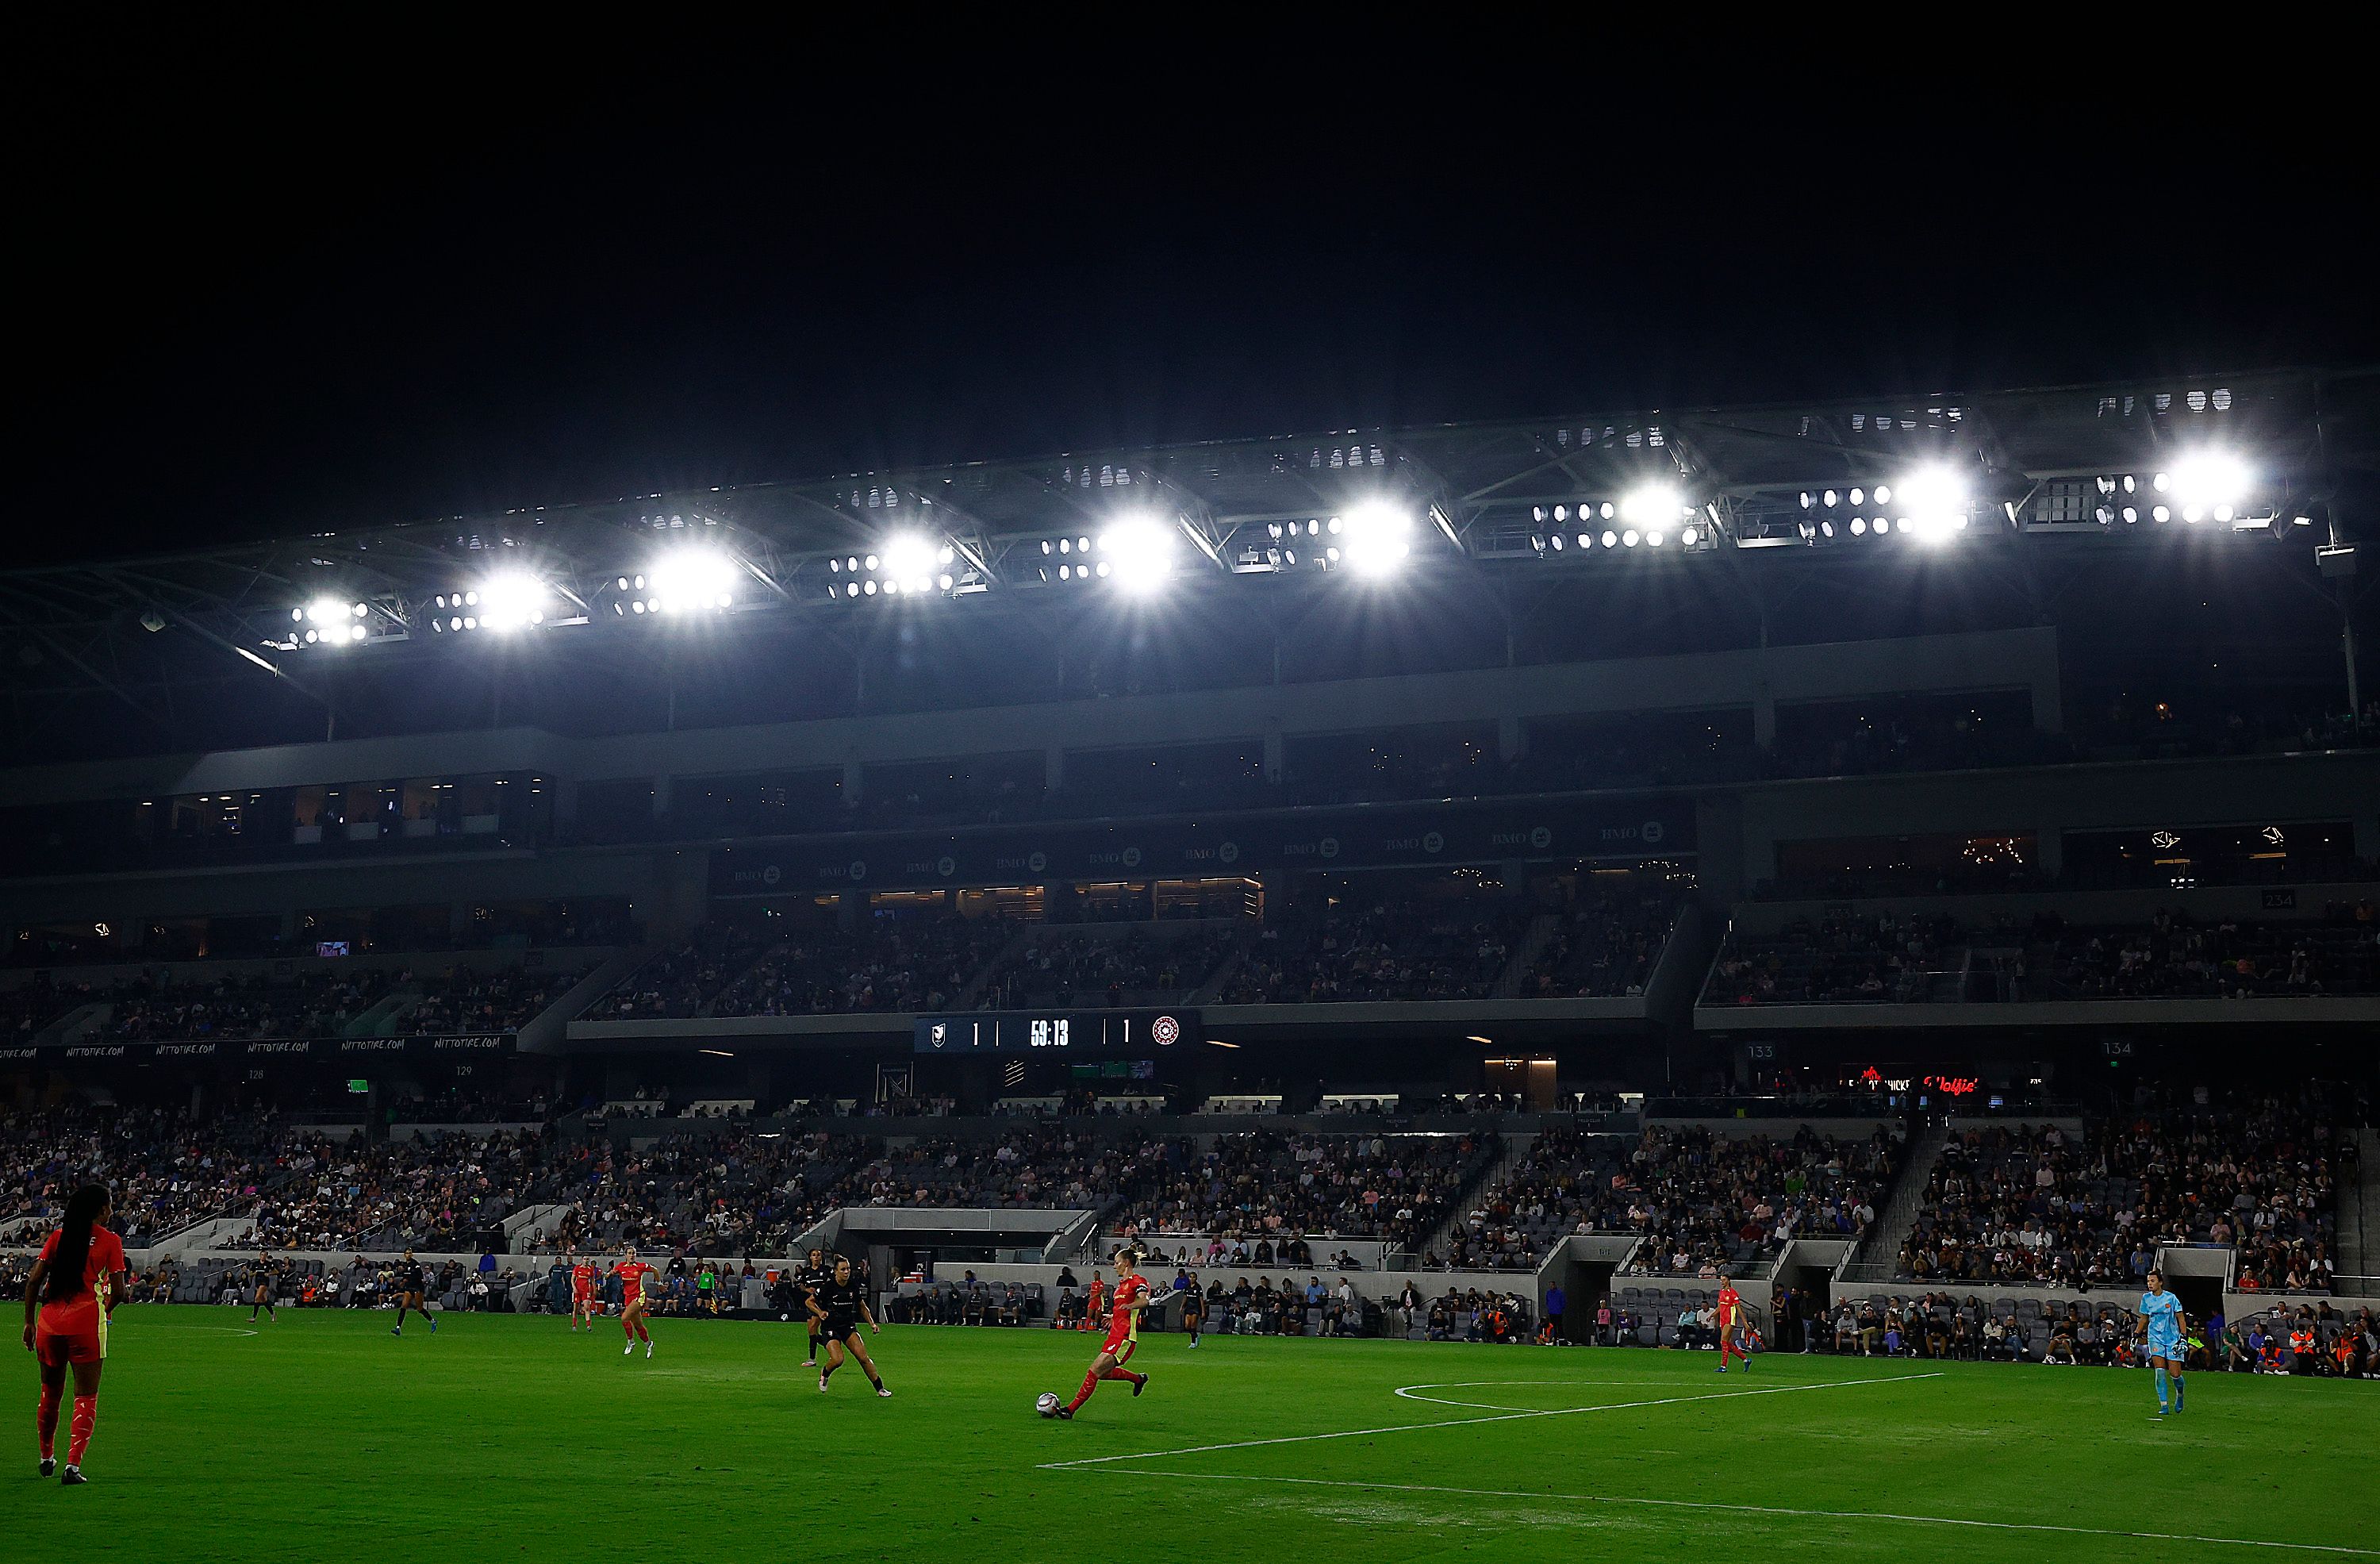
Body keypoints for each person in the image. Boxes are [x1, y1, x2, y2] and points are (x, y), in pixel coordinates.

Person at [22, 1184, 128, 1485]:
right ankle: (72, 1466)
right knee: (86, 1395)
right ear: (100, 1211)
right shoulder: (110, 1241)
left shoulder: (58, 1237)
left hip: (50, 1324)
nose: (111, 1211)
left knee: (50, 1392)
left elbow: (33, 1281)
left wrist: (30, 1322)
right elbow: (119, 1291)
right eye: (108, 1207)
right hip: (86, 1325)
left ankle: (45, 1457)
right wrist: (105, 1311)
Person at [1055, 1246, 1150, 1419]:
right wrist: (1114, 1317)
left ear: (1126, 1263)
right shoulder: (1121, 1287)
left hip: (1125, 1337)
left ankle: (1070, 1410)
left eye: (1117, 1262)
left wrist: (1130, 1306)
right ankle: (1138, 1379)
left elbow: (1144, 1301)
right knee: (1102, 1373)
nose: (1114, 1266)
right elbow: (1123, 1311)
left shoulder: (1138, 1281)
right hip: (1114, 1334)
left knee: (1094, 1371)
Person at [809, 1255, 889, 1397]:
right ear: (835, 1271)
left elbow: (862, 1307)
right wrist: (820, 1312)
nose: (846, 1272)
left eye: (848, 1269)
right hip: (830, 1327)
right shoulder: (828, 1287)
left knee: (863, 1357)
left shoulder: (852, 1286)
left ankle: (880, 1389)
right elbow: (809, 1302)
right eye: (843, 1269)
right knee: (838, 1360)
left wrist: (872, 1324)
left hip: (847, 1326)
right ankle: (825, 1373)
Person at [2137, 1270, 2186, 1416]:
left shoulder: (2171, 1298)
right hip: (2155, 1337)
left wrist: (2183, 1336)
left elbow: (2181, 1317)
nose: (2150, 1284)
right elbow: (2144, 1318)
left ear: (2160, 1282)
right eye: (2148, 1281)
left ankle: (2180, 1394)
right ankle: (2164, 1405)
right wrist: (2136, 1333)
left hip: (2172, 1338)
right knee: (2159, 1370)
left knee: (2175, 1374)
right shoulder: (2146, 1299)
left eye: (2152, 1281)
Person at [616, 1247, 657, 1358]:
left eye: (633, 1253)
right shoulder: (621, 1267)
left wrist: (659, 1284)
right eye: (629, 1253)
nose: (632, 1255)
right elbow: (613, 1272)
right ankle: (648, 1343)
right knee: (638, 1325)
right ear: (625, 1255)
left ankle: (631, 1342)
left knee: (624, 1318)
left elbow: (655, 1270)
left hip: (639, 1296)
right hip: (628, 1298)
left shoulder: (640, 1266)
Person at [391, 1248, 436, 1336]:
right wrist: (404, 1280)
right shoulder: (404, 1265)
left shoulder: (415, 1264)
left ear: (412, 1255)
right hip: (410, 1287)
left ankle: (433, 1321)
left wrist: (410, 1278)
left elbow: (419, 1276)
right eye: (407, 1253)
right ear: (404, 1255)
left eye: (410, 1253)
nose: (408, 1255)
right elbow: (406, 1276)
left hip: (417, 1287)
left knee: (419, 1309)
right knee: (403, 1307)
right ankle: (398, 1328)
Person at [800, 1247, 830, 1367]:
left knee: (813, 1328)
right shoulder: (806, 1271)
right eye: (814, 1255)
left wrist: (819, 1291)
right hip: (810, 1302)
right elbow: (801, 1286)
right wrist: (807, 1289)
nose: (816, 1257)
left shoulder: (826, 1270)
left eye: (818, 1255)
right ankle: (831, 1346)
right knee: (812, 1333)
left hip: (821, 1302)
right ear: (810, 1258)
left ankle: (812, 1359)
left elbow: (829, 1284)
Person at [1714, 1281, 1749, 1374]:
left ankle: (1723, 1366)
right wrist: (1712, 1315)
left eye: (1724, 1280)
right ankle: (1746, 1360)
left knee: (1723, 1342)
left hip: (1730, 1320)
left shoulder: (1733, 1293)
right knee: (1728, 1344)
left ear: (1728, 1281)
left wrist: (1745, 1322)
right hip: (1723, 1320)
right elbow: (1720, 1307)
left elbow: (1739, 1309)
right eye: (1721, 1280)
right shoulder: (1721, 1292)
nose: (1722, 1282)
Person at [570, 1252, 601, 1333]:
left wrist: (594, 1290)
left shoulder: (590, 1269)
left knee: (587, 1307)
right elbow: (572, 1280)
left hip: (586, 1290)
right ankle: (574, 1325)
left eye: (587, 1259)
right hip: (577, 1290)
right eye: (585, 1259)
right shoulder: (577, 1268)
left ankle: (588, 1326)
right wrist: (574, 1288)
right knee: (576, 1309)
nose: (586, 1261)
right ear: (582, 1260)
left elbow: (593, 1280)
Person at [248, 1251, 277, 1324]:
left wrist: (269, 1274)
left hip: (265, 1283)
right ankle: (273, 1313)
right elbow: (250, 1274)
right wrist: (254, 1273)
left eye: (264, 1255)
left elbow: (276, 1272)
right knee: (263, 1300)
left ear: (266, 1256)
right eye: (261, 1255)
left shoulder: (269, 1264)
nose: (263, 1256)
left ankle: (254, 1317)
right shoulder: (255, 1264)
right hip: (257, 1282)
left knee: (257, 1298)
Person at [1180, 1274, 1204, 1349]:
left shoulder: (1198, 1287)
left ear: (1196, 1278)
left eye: (1193, 1277)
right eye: (1190, 1277)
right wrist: (1182, 1306)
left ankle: (1193, 1342)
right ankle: (1196, 1336)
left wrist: (1203, 1311)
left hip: (1196, 1308)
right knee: (1187, 1326)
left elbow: (1201, 1300)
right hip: (1189, 1307)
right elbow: (1185, 1297)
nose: (1192, 1279)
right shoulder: (1187, 1287)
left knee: (1193, 1325)